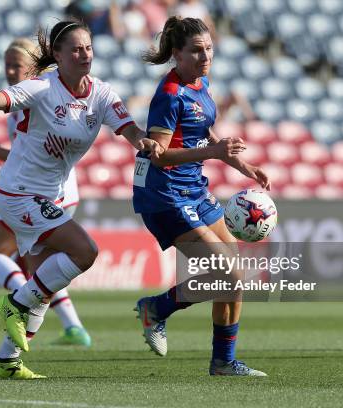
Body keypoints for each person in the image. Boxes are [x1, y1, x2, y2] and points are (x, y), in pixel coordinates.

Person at [0, 20, 162, 379]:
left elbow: (130, 130)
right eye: (76, 49)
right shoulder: (42, 88)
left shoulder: (102, 95)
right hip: (19, 193)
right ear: (58, 56)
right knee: (85, 251)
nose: (85, 54)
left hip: (50, 196)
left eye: (88, 47)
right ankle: (13, 303)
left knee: (45, 287)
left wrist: (144, 141)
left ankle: (5, 361)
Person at [132, 16, 270, 376]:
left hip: (194, 189)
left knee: (235, 276)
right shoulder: (169, 95)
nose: (205, 56)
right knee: (228, 273)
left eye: (208, 48)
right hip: (164, 196)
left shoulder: (201, 82)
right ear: (177, 53)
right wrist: (214, 153)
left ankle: (223, 361)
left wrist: (244, 166)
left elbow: (203, 132)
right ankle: (157, 309)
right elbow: (158, 155)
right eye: (196, 50)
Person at [0, 37, 93, 351]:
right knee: (43, 268)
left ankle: (20, 302)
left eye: (16, 65)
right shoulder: (34, 97)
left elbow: (37, 155)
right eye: (6, 65)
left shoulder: (38, 96)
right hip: (55, 192)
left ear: (33, 67)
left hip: (40, 193)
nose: (9, 71)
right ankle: (71, 328)